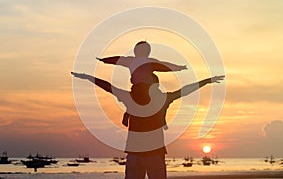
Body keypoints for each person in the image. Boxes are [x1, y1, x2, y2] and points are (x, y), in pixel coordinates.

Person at [71, 71, 224, 179]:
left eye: (145, 79)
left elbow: (185, 90)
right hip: (137, 153)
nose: (141, 81)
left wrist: (206, 81)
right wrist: (88, 77)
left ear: (153, 83)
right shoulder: (133, 98)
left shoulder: (157, 98)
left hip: (153, 153)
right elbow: (108, 86)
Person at [96, 41, 187, 128]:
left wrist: (104, 60)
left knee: (138, 99)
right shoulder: (138, 61)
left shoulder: (133, 60)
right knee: (154, 101)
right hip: (142, 87)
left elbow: (117, 59)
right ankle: (160, 120)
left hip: (141, 87)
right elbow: (164, 66)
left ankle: (133, 114)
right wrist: (178, 68)